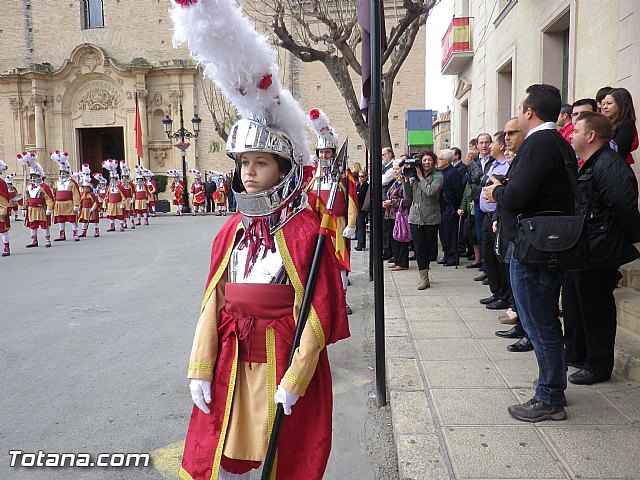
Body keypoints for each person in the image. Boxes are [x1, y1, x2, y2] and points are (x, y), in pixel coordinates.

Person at [171, 1, 350, 478]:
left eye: (261, 163)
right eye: (244, 163)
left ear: (282, 169)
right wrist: (199, 364)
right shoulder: (230, 229)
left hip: (283, 358)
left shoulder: (306, 231)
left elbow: (319, 311)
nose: (249, 174)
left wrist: (296, 377)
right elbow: (213, 302)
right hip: (233, 357)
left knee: (284, 455)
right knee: (228, 450)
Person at [484, 84, 576, 423]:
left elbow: (521, 193)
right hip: (547, 244)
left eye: (521, 108)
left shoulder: (539, 143)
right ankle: (552, 385)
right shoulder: (558, 143)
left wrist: (497, 191)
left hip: (536, 247)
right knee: (544, 318)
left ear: (529, 112)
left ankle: (549, 396)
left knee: (539, 321)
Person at [563, 111, 640, 384]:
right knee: (579, 304)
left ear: (591, 136)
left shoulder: (609, 164)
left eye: (577, 131)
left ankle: (597, 366)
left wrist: (623, 240)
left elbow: (623, 208)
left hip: (599, 250)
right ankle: (577, 354)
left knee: (597, 310)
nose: (571, 136)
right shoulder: (591, 163)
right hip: (585, 249)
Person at [306, 108, 358, 315]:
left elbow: (352, 200)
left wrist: (352, 225)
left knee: (340, 264)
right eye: (320, 152)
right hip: (317, 225)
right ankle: (321, 301)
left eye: (327, 152)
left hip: (338, 224)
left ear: (334, 153)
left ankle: (341, 301)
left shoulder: (344, 175)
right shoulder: (312, 175)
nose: (323, 155)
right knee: (317, 263)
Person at [479, 132, 510, 310]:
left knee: (499, 257)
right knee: (489, 256)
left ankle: (504, 295)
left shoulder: (506, 166)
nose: (487, 146)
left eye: (491, 143)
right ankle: (496, 291)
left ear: (500, 146)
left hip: (497, 217)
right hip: (486, 215)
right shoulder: (491, 164)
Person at [404, 150, 442, 289]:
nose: (427, 163)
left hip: (430, 216)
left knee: (428, 248)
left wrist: (421, 178)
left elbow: (431, 191)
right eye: (424, 160)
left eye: (429, 160)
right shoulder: (414, 176)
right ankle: (424, 278)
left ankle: (426, 268)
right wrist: (407, 180)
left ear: (433, 162)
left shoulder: (437, 176)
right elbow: (407, 196)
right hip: (415, 216)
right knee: (419, 248)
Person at [19, 152, 54, 248]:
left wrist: (49, 209)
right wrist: (24, 207)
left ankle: (47, 240)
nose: (33, 179)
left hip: (40, 209)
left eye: (36, 177)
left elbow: (49, 199)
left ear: (40, 177)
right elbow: (26, 198)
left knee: (44, 225)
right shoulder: (29, 187)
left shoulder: (43, 187)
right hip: (31, 209)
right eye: (32, 177)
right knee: (32, 225)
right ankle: (34, 240)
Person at [437, 149, 463, 266]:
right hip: (442, 206)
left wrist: (456, 206)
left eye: (440, 159)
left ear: (447, 161)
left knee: (451, 233)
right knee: (443, 232)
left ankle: (453, 256)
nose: (438, 161)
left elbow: (458, 191)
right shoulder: (442, 172)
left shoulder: (453, 172)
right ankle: (446, 254)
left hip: (451, 207)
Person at [383, 160, 410, 271]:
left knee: (401, 238)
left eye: (397, 169)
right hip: (391, 214)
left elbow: (407, 200)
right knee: (394, 238)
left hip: (400, 214)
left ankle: (402, 262)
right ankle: (397, 260)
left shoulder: (406, 181)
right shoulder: (396, 181)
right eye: (393, 169)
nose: (395, 171)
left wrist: (391, 202)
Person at [601, 87, 638, 164]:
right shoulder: (608, 122)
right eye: (604, 104)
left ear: (621, 104)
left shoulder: (627, 125)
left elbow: (617, 150)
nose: (604, 107)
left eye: (609, 103)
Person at [51, 151, 81, 242]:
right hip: (59, 204)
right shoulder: (57, 183)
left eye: (64, 173)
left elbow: (76, 194)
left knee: (72, 219)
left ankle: (75, 233)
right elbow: (54, 192)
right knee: (61, 219)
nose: (62, 174)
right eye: (61, 173)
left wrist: (76, 205)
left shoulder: (72, 183)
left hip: (69, 203)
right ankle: (62, 234)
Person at [0, 161, 19, 256]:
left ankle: (6, 247)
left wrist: (3, 210)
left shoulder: (1, 182)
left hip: (0, 209)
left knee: (3, 230)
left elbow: (3, 197)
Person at [102, 159, 127, 232]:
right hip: (111, 204)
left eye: (114, 179)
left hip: (118, 203)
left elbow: (123, 196)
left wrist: (123, 203)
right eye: (112, 179)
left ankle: (122, 225)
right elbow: (106, 196)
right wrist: (104, 203)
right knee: (111, 216)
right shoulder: (109, 187)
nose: (113, 180)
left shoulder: (120, 187)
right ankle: (112, 226)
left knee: (120, 215)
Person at [77, 164, 100, 238]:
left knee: (94, 220)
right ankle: (84, 232)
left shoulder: (92, 194)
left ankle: (96, 230)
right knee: (84, 221)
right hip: (84, 209)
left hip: (91, 209)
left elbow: (96, 201)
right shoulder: (82, 195)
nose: (85, 189)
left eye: (87, 188)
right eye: (84, 188)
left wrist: (94, 207)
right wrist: (79, 208)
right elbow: (80, 202)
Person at [381, 147, 396, 260]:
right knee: (384, 228)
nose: (382, 157)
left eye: (383, 154)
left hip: (391, 201)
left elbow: (383, 181)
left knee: (389, 228)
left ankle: (390, 251)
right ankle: (387, 250)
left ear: (390, 154)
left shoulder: (393, 166)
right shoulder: (384, 166)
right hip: (384, 199)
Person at [355, 169, 369, 251]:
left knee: (361, 226)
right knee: (358, 224)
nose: (360, 178)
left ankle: (361, 244)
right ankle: (359, 243)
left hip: (362, 207)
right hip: (358, 207)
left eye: (362, 176)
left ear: (366, 177)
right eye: (359, 176)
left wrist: (357, 194)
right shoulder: (359, 185)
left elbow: (360, 196)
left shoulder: (365, 185)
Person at [119, 162, 136, 229]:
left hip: (129, 199)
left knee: (131, 212)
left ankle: (132, 223)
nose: (125, 178)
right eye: (123, 177)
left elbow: (134, 192)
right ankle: (124, 224)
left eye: (126, 177)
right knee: (123, 213)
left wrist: (133, 199)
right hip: (123, 200)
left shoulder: (131, 184)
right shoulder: (120, 184)